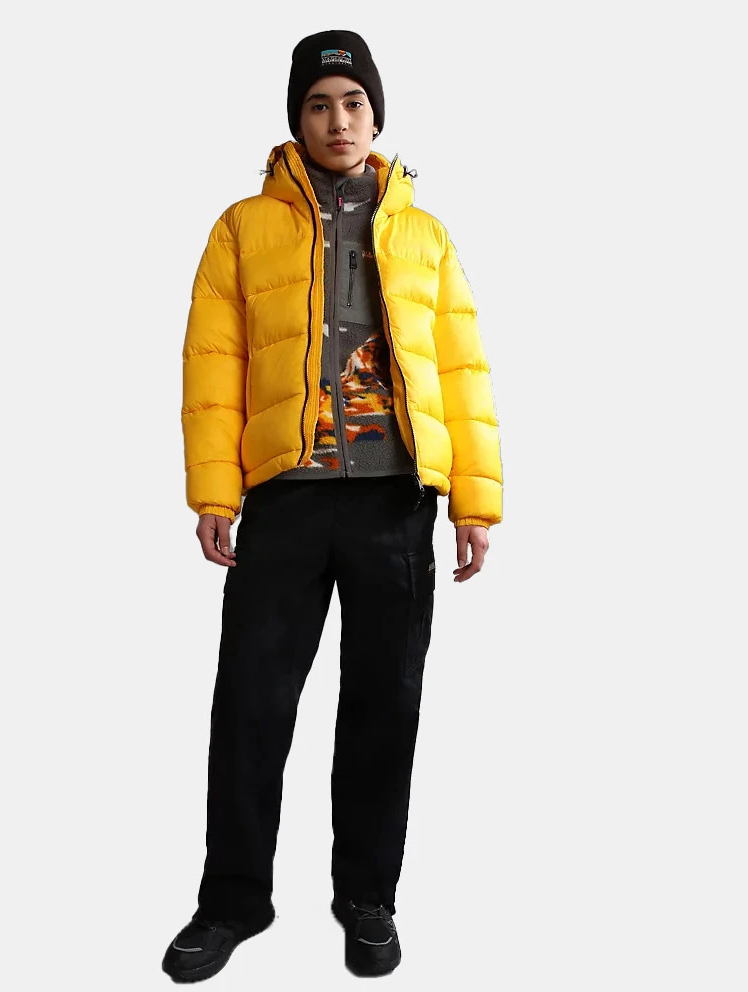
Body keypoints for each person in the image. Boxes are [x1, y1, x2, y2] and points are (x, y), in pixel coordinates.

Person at [162, 29, 503, 983]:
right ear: (297, 120)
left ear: (376, 116)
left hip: (396, 501)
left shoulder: (425, 235)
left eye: (353, 103)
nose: (337, 120)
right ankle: (232, 902)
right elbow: (213, 364)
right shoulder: (241, 228)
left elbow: (463, 372)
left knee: (385, 706)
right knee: (251, 705)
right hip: (284, 500)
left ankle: (367, 898)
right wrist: (213, 491)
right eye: (318, 104)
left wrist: (475, 502)